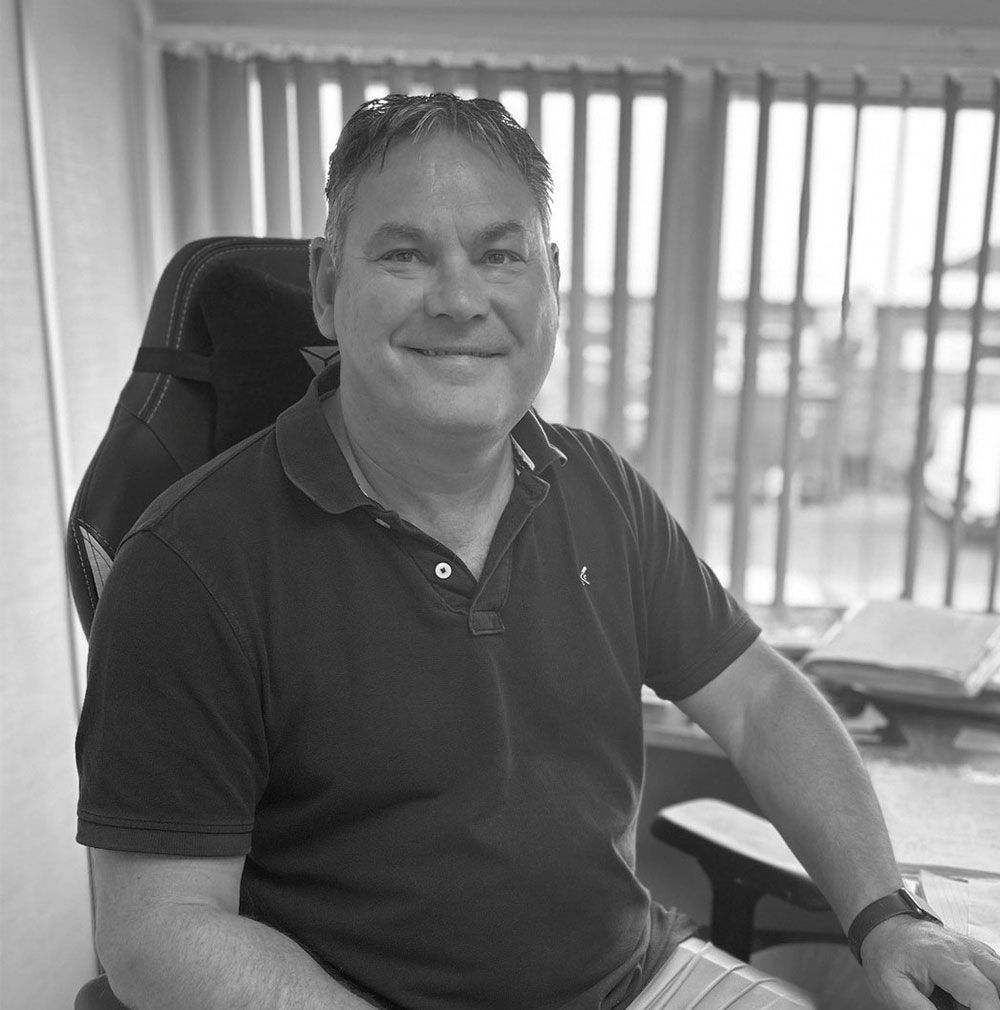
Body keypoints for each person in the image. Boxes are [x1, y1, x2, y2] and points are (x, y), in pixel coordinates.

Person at [76, 93, 1000, 1010]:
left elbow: (759, 701)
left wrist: (888, 916)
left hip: (641, 983)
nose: (459, 299)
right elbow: (159, 927)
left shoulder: (598, 488)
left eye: (500, 254)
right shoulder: (190, 565)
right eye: (405, 253)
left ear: (550, 280)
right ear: (327, 285)